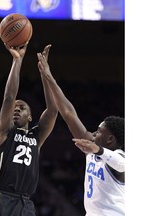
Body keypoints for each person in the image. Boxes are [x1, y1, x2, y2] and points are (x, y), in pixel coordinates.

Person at [37, 45, 125, 216]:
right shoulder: (91, 147)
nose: (93, 134)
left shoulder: (119, 155)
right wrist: (47, 76)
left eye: (99, 132)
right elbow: (68, 113)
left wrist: (98, 150)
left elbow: (122, 164)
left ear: (110, 140)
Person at [0, 43, 58, 216]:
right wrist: (17, 61)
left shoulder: (36, 137)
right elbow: (9, 97)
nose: (16, 109)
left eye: (21, 108)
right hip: (2, 197)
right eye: (15, 108)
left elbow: (53, 109)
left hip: (26, 203)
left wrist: (45, 74)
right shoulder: (5, 131)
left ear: (30, 117)